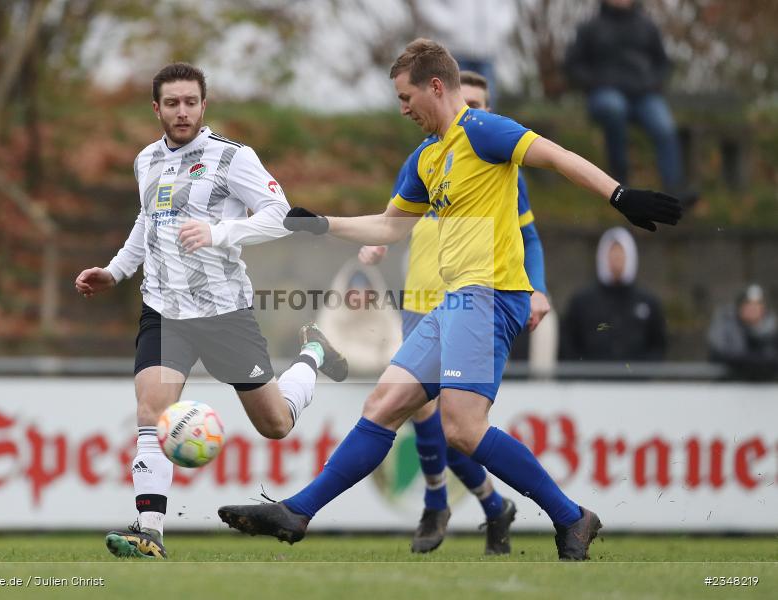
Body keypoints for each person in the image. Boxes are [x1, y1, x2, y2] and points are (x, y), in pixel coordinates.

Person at [218, 38, 680, 561]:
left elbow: (558, 157)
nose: (402, 108)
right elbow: (389, 227)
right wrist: (321, 222)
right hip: (455, 303)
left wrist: (621, 196)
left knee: (462, 428)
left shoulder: (482, 131)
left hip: (490, 296)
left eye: (405, 96)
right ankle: (298, 512)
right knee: (384, 404)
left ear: (435, 86)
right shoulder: (426, 158)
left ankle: (572, 517)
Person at [73, 62, 348, 560]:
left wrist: (219, 232)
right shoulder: (145, 161)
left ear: (204, 105)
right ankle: (149, 531)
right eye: (172, 102)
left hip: (224, 313)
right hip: (164, 310)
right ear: (156, 108)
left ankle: (312, 353)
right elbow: (146, 222)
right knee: (150, 411)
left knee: (275, 424)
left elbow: (279, 215)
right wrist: (114, 272)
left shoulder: (232, 158)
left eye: (191, 102)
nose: (182, 111)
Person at [357, 71, 550, 554]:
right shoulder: (426, 157)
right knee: (421, 413)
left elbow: (528, 236)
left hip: (470, 299)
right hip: (420, 299)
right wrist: (376, 249)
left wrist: (539, 289)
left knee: (449, 419)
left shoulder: (497, 160)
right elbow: (392, 219)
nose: (477, 113)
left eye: (483, 104)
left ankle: (443, 501)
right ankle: (483, 503)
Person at [564, 0, 686, 195]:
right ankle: (619, 185)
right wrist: (596, 83)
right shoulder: (591, 26)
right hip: (605, 94)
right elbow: (573, 65)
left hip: (644, 95)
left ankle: (674, 190)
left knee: (664, 125)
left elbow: (663, 63)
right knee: (614, 108)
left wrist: (653, 83)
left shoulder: (647, 26)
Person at [559, 226, 667, 362]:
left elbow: (658, 345)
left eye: (621, 254)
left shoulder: (648, 302)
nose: (616, 259)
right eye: (612, 253)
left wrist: (639, 374)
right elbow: (568, 344)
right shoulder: (582, 301)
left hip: (635, 382)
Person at [314, 260, 402, 375]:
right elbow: (332, 349)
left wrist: (388, 358)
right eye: (355, 292)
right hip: (341, 383)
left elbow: (398, 339)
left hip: (379, 379)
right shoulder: (332, 315)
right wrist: (374, 360)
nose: (360, 297)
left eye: (364, 291)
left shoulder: (385, 312)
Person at [708, 284, 778, 381]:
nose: (753, 309)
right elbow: (721, 355)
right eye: (748, 304)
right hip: (729, 389)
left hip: (766, 390)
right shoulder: (726, 328)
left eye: (757, 304)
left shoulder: (771, 331)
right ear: (739, 307)